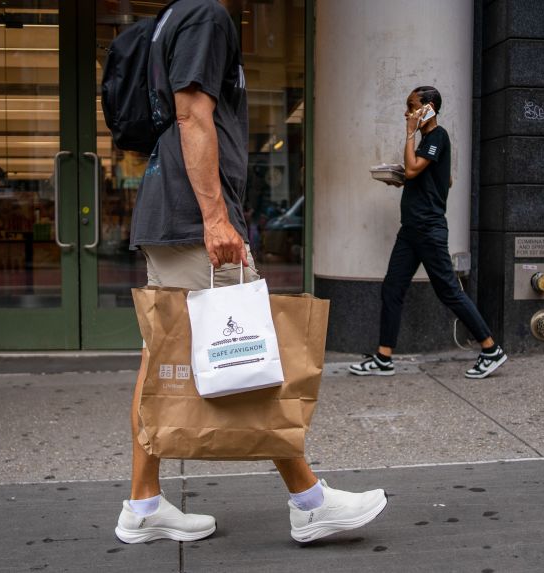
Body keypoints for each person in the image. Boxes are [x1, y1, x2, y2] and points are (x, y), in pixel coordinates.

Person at [115, 0, 387, 545]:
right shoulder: (205, 17)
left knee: (163, 353)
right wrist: (216, 218)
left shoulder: (173, 18)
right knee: (246, 351)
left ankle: (144, 503)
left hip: (171, 209)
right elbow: (192, 111)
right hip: (194, 217)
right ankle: (309, 501)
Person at [349, 86, 507, 380]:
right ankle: (384, 358)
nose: (406, 113)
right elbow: (443, 180)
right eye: (408, 108)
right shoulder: (428, 142)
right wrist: (405, 180)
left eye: (411, 106)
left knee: (448, 291)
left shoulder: (437, 136)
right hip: (411, 231)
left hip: (428, 230)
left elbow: (412, 170)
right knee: (392, 288)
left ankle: (491, 348)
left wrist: (409, 137)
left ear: (428, 108)